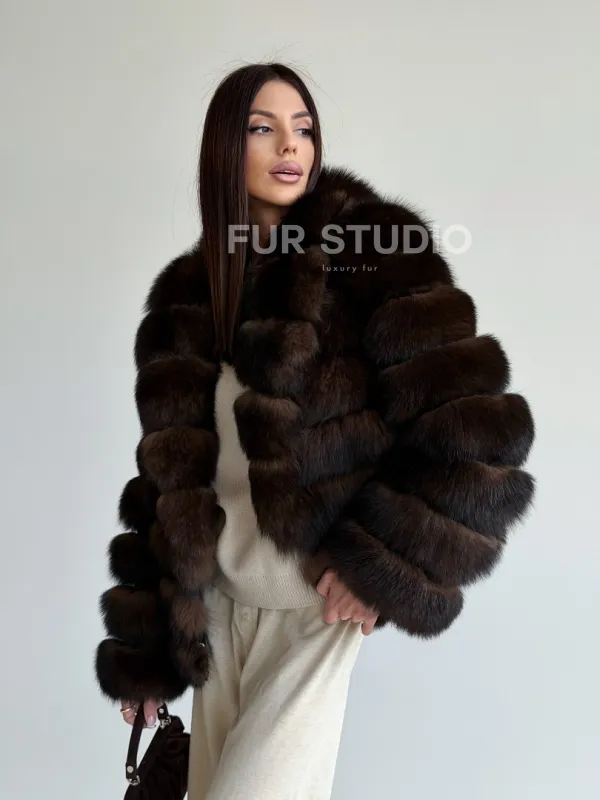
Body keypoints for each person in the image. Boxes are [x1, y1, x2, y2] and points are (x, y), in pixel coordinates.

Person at [94, 62, 536, 799]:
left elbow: (479, 433)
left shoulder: (374, 253)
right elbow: (162, 485)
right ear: (223, 149)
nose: (289, 145)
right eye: (262, 128)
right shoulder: (185, 299)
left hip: (310, 611)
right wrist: (146, 656)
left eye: (302, 128)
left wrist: (381, 569)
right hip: (217, 617)